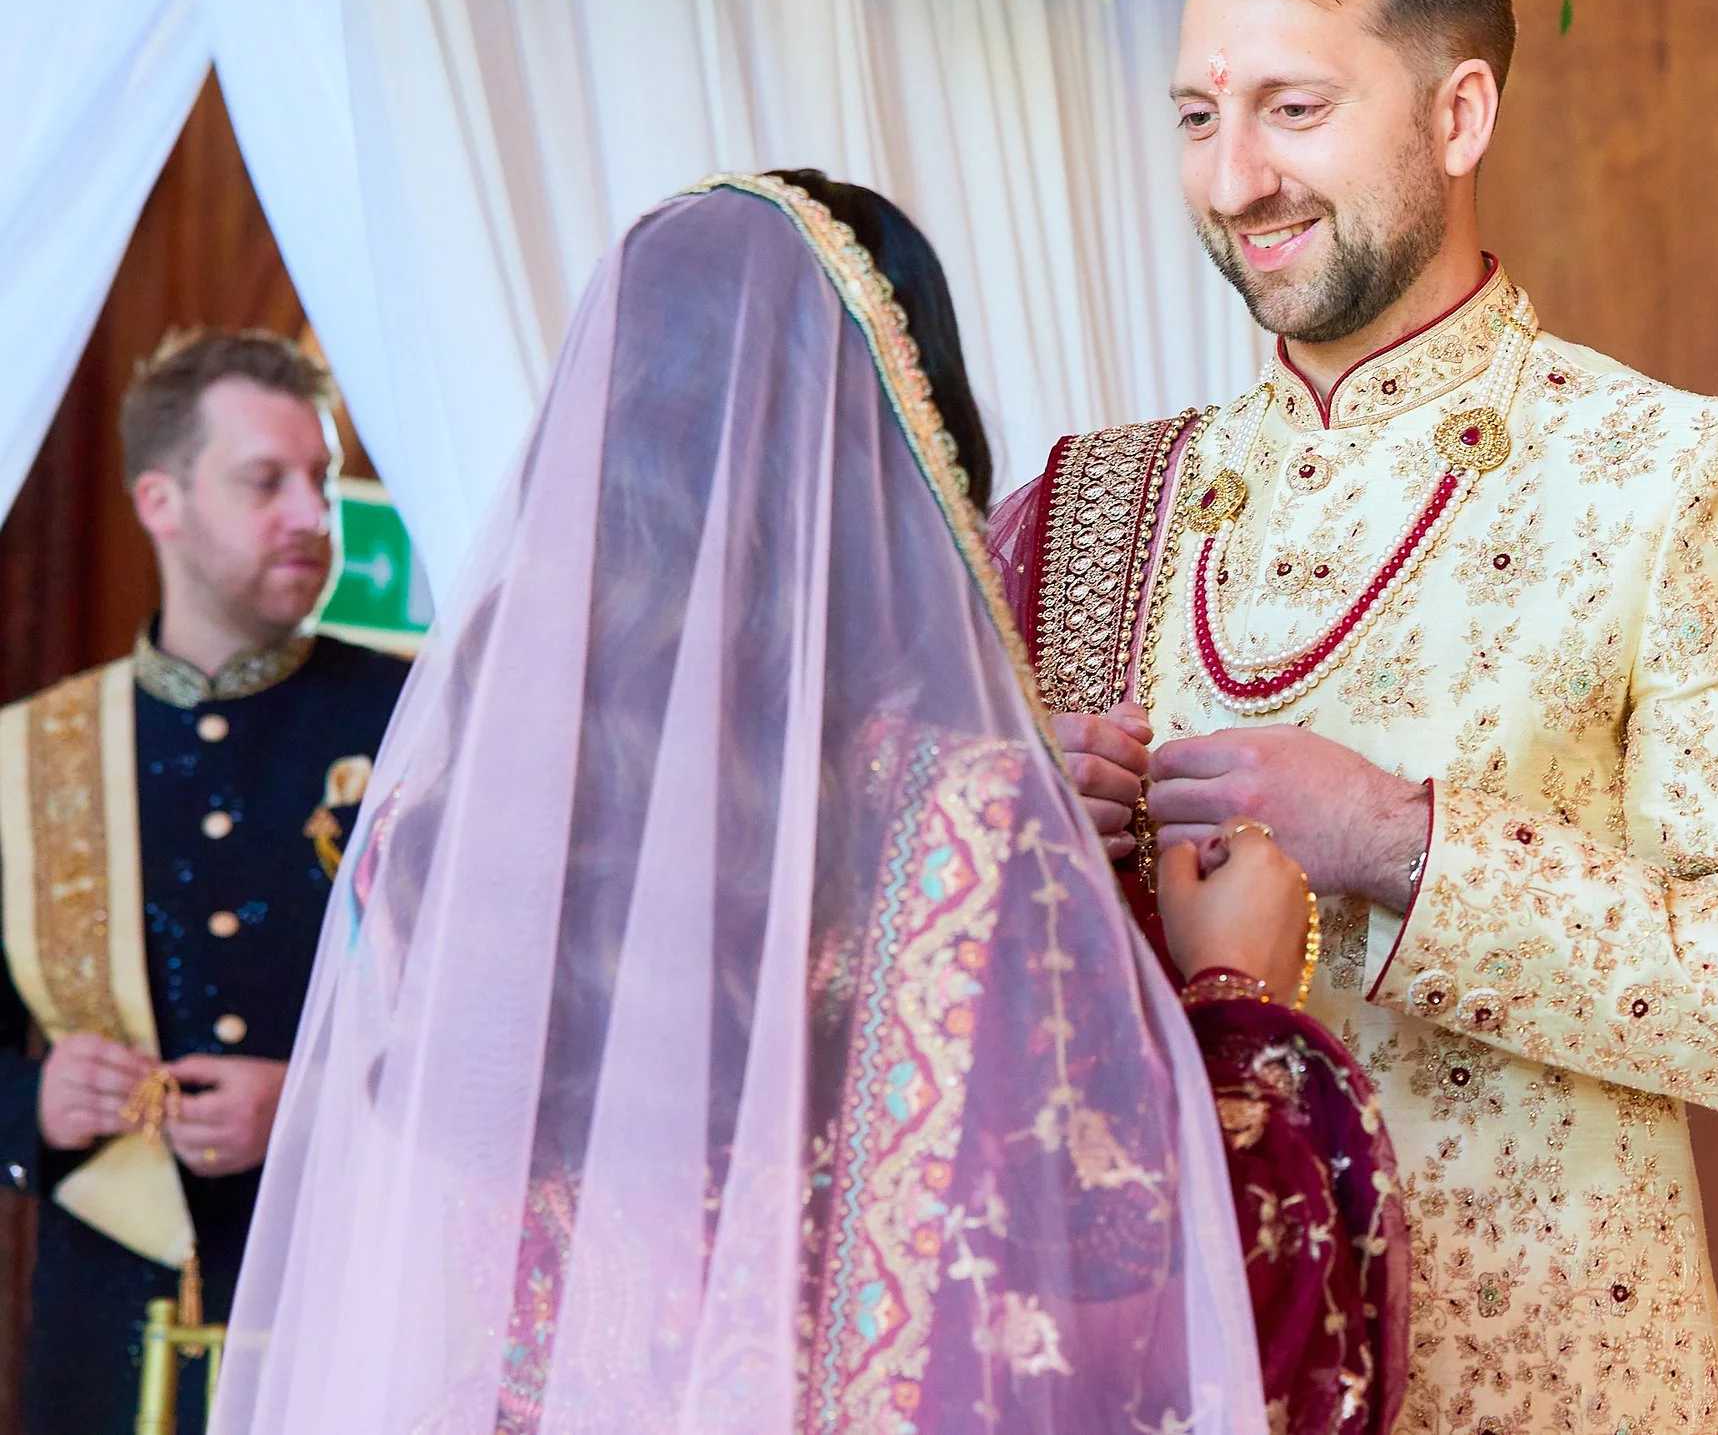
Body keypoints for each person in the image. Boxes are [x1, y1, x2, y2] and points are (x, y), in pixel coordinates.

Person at [210, 174, 1407, 1435]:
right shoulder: (969, 837)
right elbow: (1130, 1334)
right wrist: (1240, 1001)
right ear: (901, 454)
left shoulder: (451, 827)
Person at [992, 0, 1718, 1434]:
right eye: (1198, 118)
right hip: (1175, 1378)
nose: (1234, 181)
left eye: (1293, 108)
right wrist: (1010, 838)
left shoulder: (1672, 478)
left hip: (1527, 1390)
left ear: (1458, 114)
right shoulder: (1084, 505)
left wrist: (1406, 845)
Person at [0, 333, 409, 1435]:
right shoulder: (31, 754)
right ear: (159, 499)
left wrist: (322, 1104)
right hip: (106, 1340)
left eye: (318, 481)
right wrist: (30, 1103)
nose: (311, 514)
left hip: (357, 1316)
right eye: (263, 480)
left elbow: (520, 1029)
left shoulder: (419, 723)